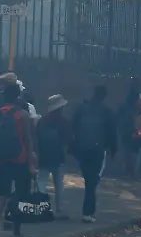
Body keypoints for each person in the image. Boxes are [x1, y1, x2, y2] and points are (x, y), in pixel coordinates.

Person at [0, 81, 37, 237]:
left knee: (2, 192)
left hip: (2, 159)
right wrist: (31, 163)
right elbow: (28, 139)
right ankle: (16, 231)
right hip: (20, 159)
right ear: (17, 96)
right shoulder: (22, 114)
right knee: (20, 194)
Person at [72, 85, 117, 223]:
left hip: (82, 149)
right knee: (93, 181)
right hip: (98, 150)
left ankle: (88, 211)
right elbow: (112, 132)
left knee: (88, 179)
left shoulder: (82, 108)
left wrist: (75, 146)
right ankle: (88, 212)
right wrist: (113, 150)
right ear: (104, 96)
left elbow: (73, 126)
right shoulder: (107, 111)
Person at [36, 95, 73, 219]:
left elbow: (36, 137)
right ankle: (59, 209)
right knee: (59, 184)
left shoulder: (42, 121)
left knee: (41, 182)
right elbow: (68, 139)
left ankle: (40, 208)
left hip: (43, 155)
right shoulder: (63, 121)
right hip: (58, 156)